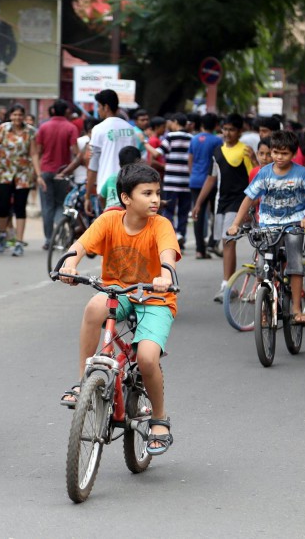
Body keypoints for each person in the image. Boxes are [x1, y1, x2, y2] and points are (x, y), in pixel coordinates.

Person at [58, 162, 181, 455]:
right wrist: (69, 263)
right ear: (126, 198)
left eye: (157, 193)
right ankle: (83, 380)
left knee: (147, 357)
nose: (155, 199)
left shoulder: (160, 225)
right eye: (147, 193)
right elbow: (81, 245)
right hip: (119, 291)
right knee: (93, 307)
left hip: (155, 297)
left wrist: (165, 276)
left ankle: (159, 419)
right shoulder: (109, 221)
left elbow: (167, 255)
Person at [227, 130, 305, 324]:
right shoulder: (264, 173)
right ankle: (263, 308)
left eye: (284, 153)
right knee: (263, 267)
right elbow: (249, 199)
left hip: (294, 223)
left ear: (293, 154)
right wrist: (236, 224)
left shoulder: (301, 173)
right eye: (275, 152)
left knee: (295, 264)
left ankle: (295, 309)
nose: (279, 157)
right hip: (268, 224)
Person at [191, 113, 257, 302]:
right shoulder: (217, 152)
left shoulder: (245, 150)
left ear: (239, 131)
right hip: (222, 202)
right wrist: (199, 203)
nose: (227, 133)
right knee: (225, 243)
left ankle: (227, 286)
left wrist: (250, 205)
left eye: (232, 130)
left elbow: (255, 176)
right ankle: (230, 286)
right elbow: (211, 178)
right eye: (225, 129)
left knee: (228, 241)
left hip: (241, 201)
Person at [0, 103, 39, 256]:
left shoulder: (30, 131)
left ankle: (19, 241)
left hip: (23, 174)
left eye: (20, 115)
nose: (17, 118)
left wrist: (39, 174)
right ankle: (3, 233)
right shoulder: (3, 128)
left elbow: (34, 154)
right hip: (4, 173)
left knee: (20, 207)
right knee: (3, 207)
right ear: (10, 116)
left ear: (24, 116)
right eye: (14, 115)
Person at [85, 89, 136, 216]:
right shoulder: (130, 129)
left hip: (107, 188)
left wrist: (87, 196)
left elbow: (93, 163)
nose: (98, 110)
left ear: (106, 107)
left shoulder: (98, 129)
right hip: (130, 184)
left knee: (108, 228)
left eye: (98, 106)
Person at [35, 99, 78, 250]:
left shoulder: (43, 127)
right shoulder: (71, 127)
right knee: (60, 203)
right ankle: (61, 233)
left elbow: (38, 151)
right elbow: (75, 151)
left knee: (47, 206)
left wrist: (38, 173)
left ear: (52, 110)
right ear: (66, 111)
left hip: (46, 170)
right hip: (63, 172)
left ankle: (48, 239)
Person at [157, 113, 193, 250]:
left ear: (176, 122)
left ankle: (172, 236)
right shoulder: (191, 138)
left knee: (169, 210)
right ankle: (180, 234)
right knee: (184, 211)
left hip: (171, 180)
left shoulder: (170, 137)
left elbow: (158, 153)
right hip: (186, 181)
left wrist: (144, 143)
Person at [99, 145, 140, 211]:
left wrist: (105, 209)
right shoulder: (138, 180)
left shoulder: (111, 178)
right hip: (124, 215)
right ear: (139, 163)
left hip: (107, 213)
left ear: (119, 164)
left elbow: (101, 197)